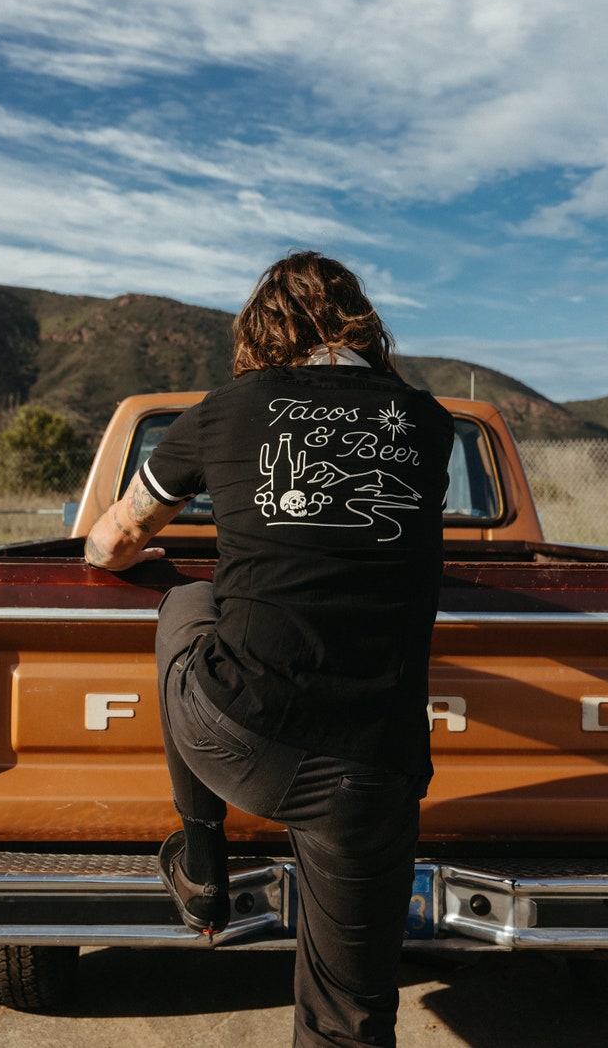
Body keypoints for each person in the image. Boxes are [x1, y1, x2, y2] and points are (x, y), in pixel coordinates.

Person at [85, 251, 455, 1047]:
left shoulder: (229, 408)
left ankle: (202, 856)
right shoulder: (426, 421)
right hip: (374, 762)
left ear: (263, 327)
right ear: (362, 322)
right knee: (349, 1019)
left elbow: (114, 540)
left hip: (239, 731)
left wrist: (114, 556)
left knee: (188, 597)